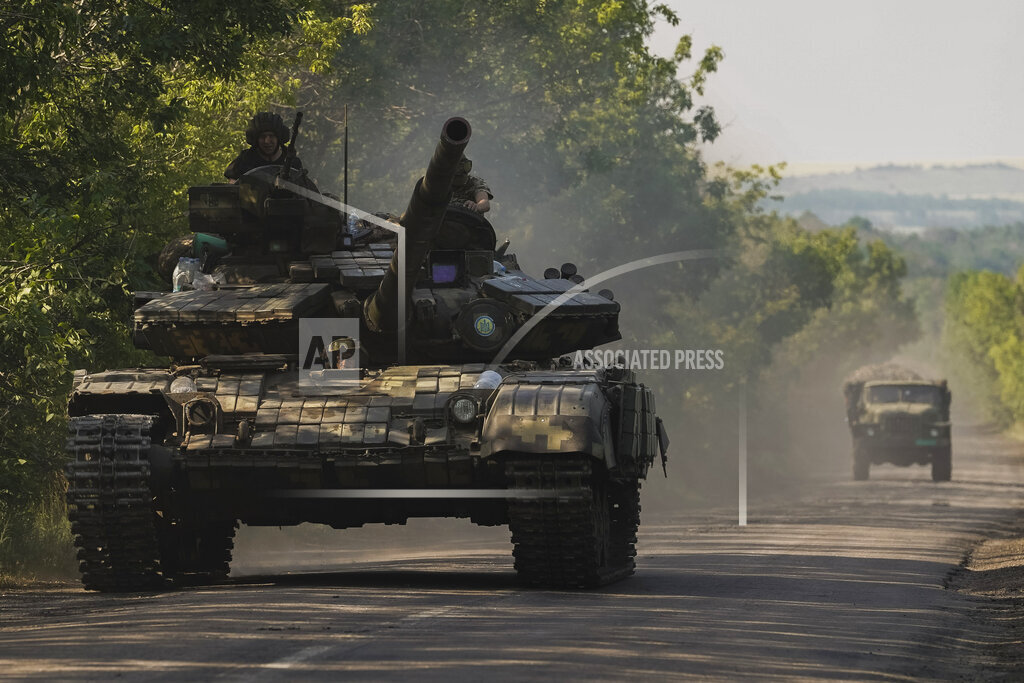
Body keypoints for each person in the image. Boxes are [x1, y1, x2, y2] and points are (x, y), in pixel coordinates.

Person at [224, 112, 303, 181]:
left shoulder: (292, 163)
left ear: (278, 139)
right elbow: (232, 186)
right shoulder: (245, 160)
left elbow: (303, 191)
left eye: (271, 136)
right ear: (256, 140)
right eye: (262, 137)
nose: (267, 141)